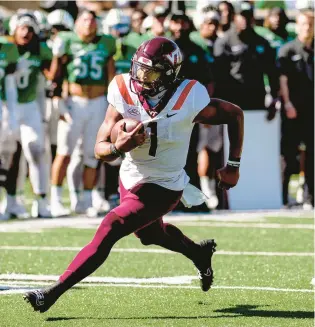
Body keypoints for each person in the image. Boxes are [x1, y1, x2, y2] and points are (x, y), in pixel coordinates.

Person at [24, 37, 244, 313]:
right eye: (139, 69)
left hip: (164, 183)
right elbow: (100, 147)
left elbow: (234, 114)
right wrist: (118, 147)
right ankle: (198, 253)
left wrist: (233, 165)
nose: (140, 77)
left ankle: (52, 293)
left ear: (169, 74)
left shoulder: (189, 96)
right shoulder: (122, 89)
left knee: (111, 227)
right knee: (151, 234)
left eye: (149, 72)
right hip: (130, 176)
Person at [49, 9, 116, 217]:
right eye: (85, 19)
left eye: (92, 20)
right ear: (77, 23)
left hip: (97, 102)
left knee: (91, 153)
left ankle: (86, 200)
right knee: (64, 150)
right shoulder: (67, 40)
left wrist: (111, 102)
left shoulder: (106, 42)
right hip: (74, 102)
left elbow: (110, 73)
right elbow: (56, 74)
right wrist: (58, 99)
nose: (89, 24)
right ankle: (55, 199)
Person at [2, 12, 53, 218]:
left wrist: (56, 57)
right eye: (22, 28)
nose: (26, 32)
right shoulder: (5, 47)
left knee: (36, 149)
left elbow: (51, 74)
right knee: (6, 154)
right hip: (6, 105)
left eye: (30, 29)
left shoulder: (40, 50)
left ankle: (41, 201)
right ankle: (10, 201)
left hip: (30, 105)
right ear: (14, 29)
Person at [277, 10, 314, 207]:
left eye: (310, 24)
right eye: (303, 24)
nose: (307, 28)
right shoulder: (288, 50)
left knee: (312, 154)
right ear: (297, 25)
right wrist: (288, 103)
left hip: (312, 111)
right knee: (289, 155)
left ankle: (310, 197)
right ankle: (283, 197)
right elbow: (283, 80)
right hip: (293, 111)